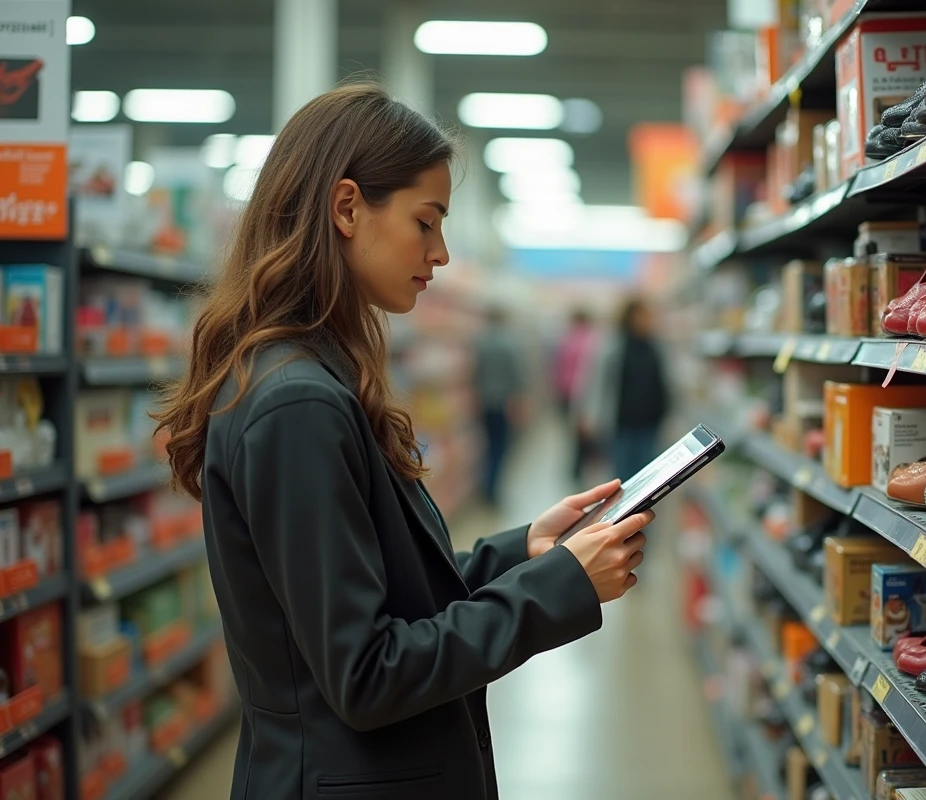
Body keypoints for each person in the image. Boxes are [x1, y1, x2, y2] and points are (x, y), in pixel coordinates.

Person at [152, 83, 651, 800]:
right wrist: (557, 590)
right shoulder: (297, 404)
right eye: (427, 222)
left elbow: (382, 586)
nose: (441, 252)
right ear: (348, 207)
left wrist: (524, 552)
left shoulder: (314, 374)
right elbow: (367, 673)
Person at [581, 298, 673, 482]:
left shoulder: (656, 347)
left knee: (647, 473)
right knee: (622, 474)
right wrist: (590, 416)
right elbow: (596, 383)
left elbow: (665, 382)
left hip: (650, 422)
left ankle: (641, 507)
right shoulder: (613, 347)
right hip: (621, 423)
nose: (647, 321)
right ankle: (624, 509)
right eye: (642, 316)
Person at [473, 307, 526, 506]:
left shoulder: (481, 343)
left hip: (484, 400)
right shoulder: (509, 344)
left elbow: (475, 372)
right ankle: (493, 490)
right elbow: (517, 375)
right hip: (503, 402)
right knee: (500, 447)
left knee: (488, 444)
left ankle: (486, 487)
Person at [552, 308, 598, 484]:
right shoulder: (594, 341)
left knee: (574, 433)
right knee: (584, 434)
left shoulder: (565, 341)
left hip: (566, 393)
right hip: (585, 394)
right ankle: (581, 466)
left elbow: (557, 367)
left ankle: (576, 468)